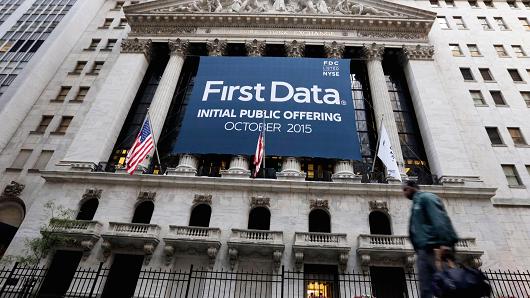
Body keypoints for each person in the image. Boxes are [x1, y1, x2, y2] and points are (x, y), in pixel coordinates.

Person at [403, 180, 458, 298]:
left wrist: (445, 243)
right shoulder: (416, 203)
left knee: (446, 284)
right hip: (423, 251)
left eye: (405, 189)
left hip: (436, 249)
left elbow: (439, 220)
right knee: (426, 289)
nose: (404, 193)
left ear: (413, 187)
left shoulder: (427, 198)